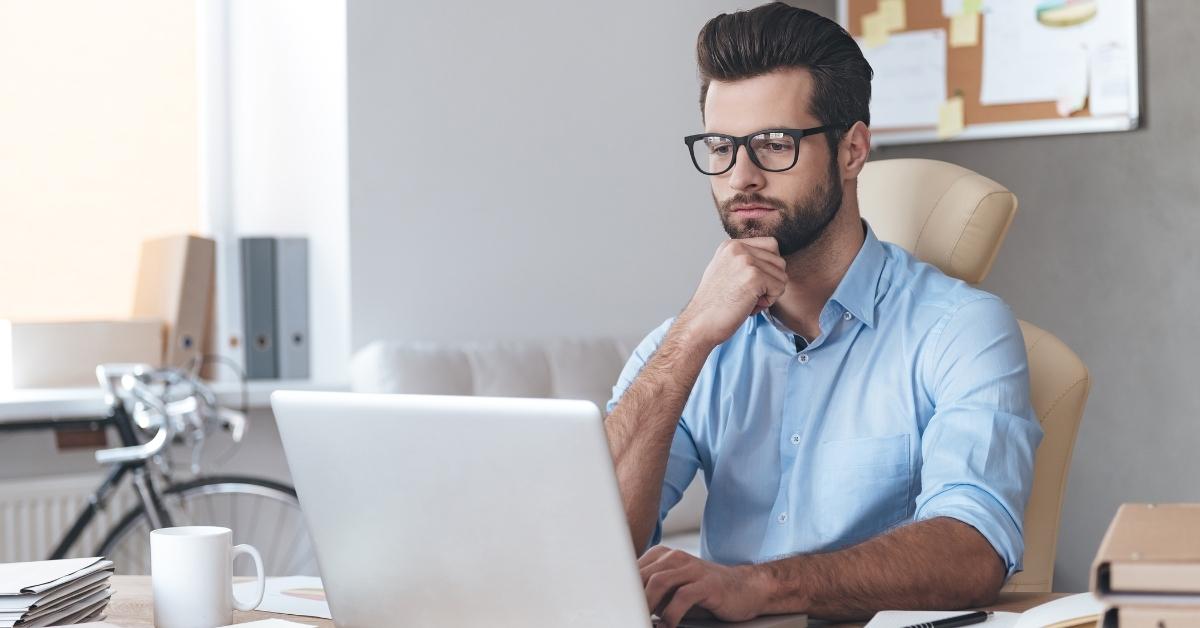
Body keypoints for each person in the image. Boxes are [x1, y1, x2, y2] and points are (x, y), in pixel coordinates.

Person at [602, 4, 1044, 626]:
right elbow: (591, 542)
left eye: (774, 145)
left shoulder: (962, 331)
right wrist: (691, 339)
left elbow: (973, 550)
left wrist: (759, 586)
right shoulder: (687, 340)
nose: (741, 178)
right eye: (721, 147)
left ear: (852, 150)